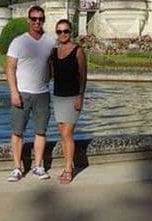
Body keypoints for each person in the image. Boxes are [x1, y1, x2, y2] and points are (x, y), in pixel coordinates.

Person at [5, 5, 56, 182]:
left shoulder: (50, 41)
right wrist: (14, 92)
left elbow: (52, 64)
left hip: (42, 93)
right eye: (34, 19)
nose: (37, 22)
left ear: (43, 20)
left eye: (40, 19)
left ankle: (38, 166)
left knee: (41, 131)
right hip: (22, 93)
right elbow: (10, 68)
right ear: (29, 20)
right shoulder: (18, 42)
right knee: (17, 131)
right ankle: (17, 168)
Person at [50, 18, 88, 184]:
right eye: (59, 31)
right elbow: (51, 74)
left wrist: (80, 95)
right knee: (63, 134)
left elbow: (83, 75)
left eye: (66, 31)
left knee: (67, 134)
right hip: (58, 97)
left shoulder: (78, 51)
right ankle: (69, 163)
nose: (63, 34)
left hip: (73, 97)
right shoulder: (54, 52)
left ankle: (68, 170)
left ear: (70, 32)